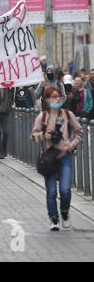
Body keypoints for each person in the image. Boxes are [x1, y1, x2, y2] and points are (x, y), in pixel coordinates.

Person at [31, 86, 83, 231]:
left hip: (64, 156)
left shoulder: (68, 114)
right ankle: (54, 219)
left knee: (65, 189)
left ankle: (65, 214)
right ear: (47, 99)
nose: (57, 99)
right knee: (52, 191)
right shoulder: (42, 117)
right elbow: (33, 136)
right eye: (53, 96)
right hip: (49, 158)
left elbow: (79, 132)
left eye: (58, 96)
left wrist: (72, 144)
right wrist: (43, 136)